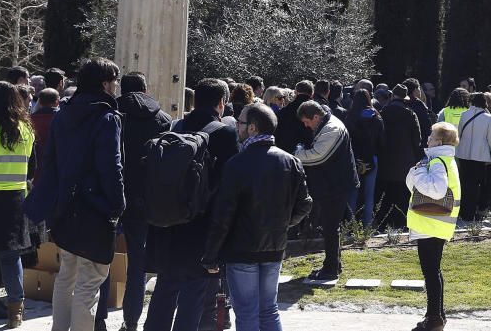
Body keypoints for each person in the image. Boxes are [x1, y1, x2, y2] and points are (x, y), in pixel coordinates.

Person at [24, 58, 124, 331]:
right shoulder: (107, 117)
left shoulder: (63, 113)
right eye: (114, 81)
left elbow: (52, 160)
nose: (116, 86)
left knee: (66, 275)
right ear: (105, 84)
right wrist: (117, 205)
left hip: (64, 206)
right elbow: (111, 166)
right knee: (89, 282)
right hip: (95, 208)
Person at [202, 103, 313, 331]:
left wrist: (211, 254)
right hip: (274, 246)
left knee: (247, 313)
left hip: (242, 249)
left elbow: (223, 215)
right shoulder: (291, 161)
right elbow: (305, 204)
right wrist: (282, 224)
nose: (236, 127)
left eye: (240, 123)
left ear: (252, 128)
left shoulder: (237, 164)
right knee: (268, 310)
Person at [143, 78, 239, 331]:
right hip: (202, 227)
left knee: (165, 288)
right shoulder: (225, 133)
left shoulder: (173, 127)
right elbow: (230, 186)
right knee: (194, 294)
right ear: (221, 103)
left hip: (168, 223)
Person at [109, 72, 172, 331]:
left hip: (112, 193)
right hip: (145, 198)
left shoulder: (112, 116)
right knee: (138, 262)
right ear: (146, 90)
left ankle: (98, 319)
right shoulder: (163, 120)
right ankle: (131, 320)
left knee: (102, 260)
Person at [0, 82, 35, 329]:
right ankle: (16, 314)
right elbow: (32, 168)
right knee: (11, 259)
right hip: (14, 201)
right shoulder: (25, 130)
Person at [405, 122, 461, 331]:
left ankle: (434, 319)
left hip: (430, 223)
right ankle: (436, 315)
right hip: (438, 224)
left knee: (430, 272)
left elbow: (436, 190)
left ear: (439, 140)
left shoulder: (437, 161)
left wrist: (417, 172)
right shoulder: (447, 159)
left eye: (431, 135)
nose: (427, 138)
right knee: (434, 271)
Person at [295, 101, 358, 280]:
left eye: (307, 121)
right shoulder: (329, 124)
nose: (306, 126)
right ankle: (333, 265)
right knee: (331, 227)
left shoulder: (332, 128)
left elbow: (318, 156)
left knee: (331, 227)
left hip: (336, 185)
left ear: (316, 116)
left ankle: (330, 269)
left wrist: (296, 154)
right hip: (334, 183)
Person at [376, 85, 422, 230]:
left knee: (387, 194)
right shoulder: (410, 114)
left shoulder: (383, 113)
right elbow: (417, 139)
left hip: (386, 160)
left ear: (392, 96)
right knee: (404, 193)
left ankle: (384, 222)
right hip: (406, 161)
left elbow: (378, 137)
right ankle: (402, 222)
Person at [453, 93, 491, 222]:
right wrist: (485, 149)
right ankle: (471, 213)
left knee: (464, 184)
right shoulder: (488, 118)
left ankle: (463, 211)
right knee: (476, 185)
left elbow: (459, 134)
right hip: (479, 156)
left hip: (463, 154)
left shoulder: (464, 115)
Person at [346, 90, 385, 226]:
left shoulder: (350, 116)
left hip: (354, 158)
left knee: (353, 192)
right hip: (371, 157)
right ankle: (367, 223)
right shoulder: (376, 117)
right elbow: (381, 140)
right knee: (369, 193)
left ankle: (350, 224)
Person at [274, 80, 314, 155]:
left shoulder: (284, 111)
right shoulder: (316, 110)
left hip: (285, 151)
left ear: (295, 92)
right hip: (309, 153)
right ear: (312, 93)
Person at [29, 88, 60, 184]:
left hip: (35, 173)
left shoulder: (29, 121)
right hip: (57, 171)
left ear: (40, 102)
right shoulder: (63, 120)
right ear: (57, 102)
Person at [404, 79, 434, 150]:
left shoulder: (402, 103)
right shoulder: (419, 105)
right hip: (419, 143)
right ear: (415, 90)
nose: (420, 91)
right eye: (419, 88)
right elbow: (426, 124)